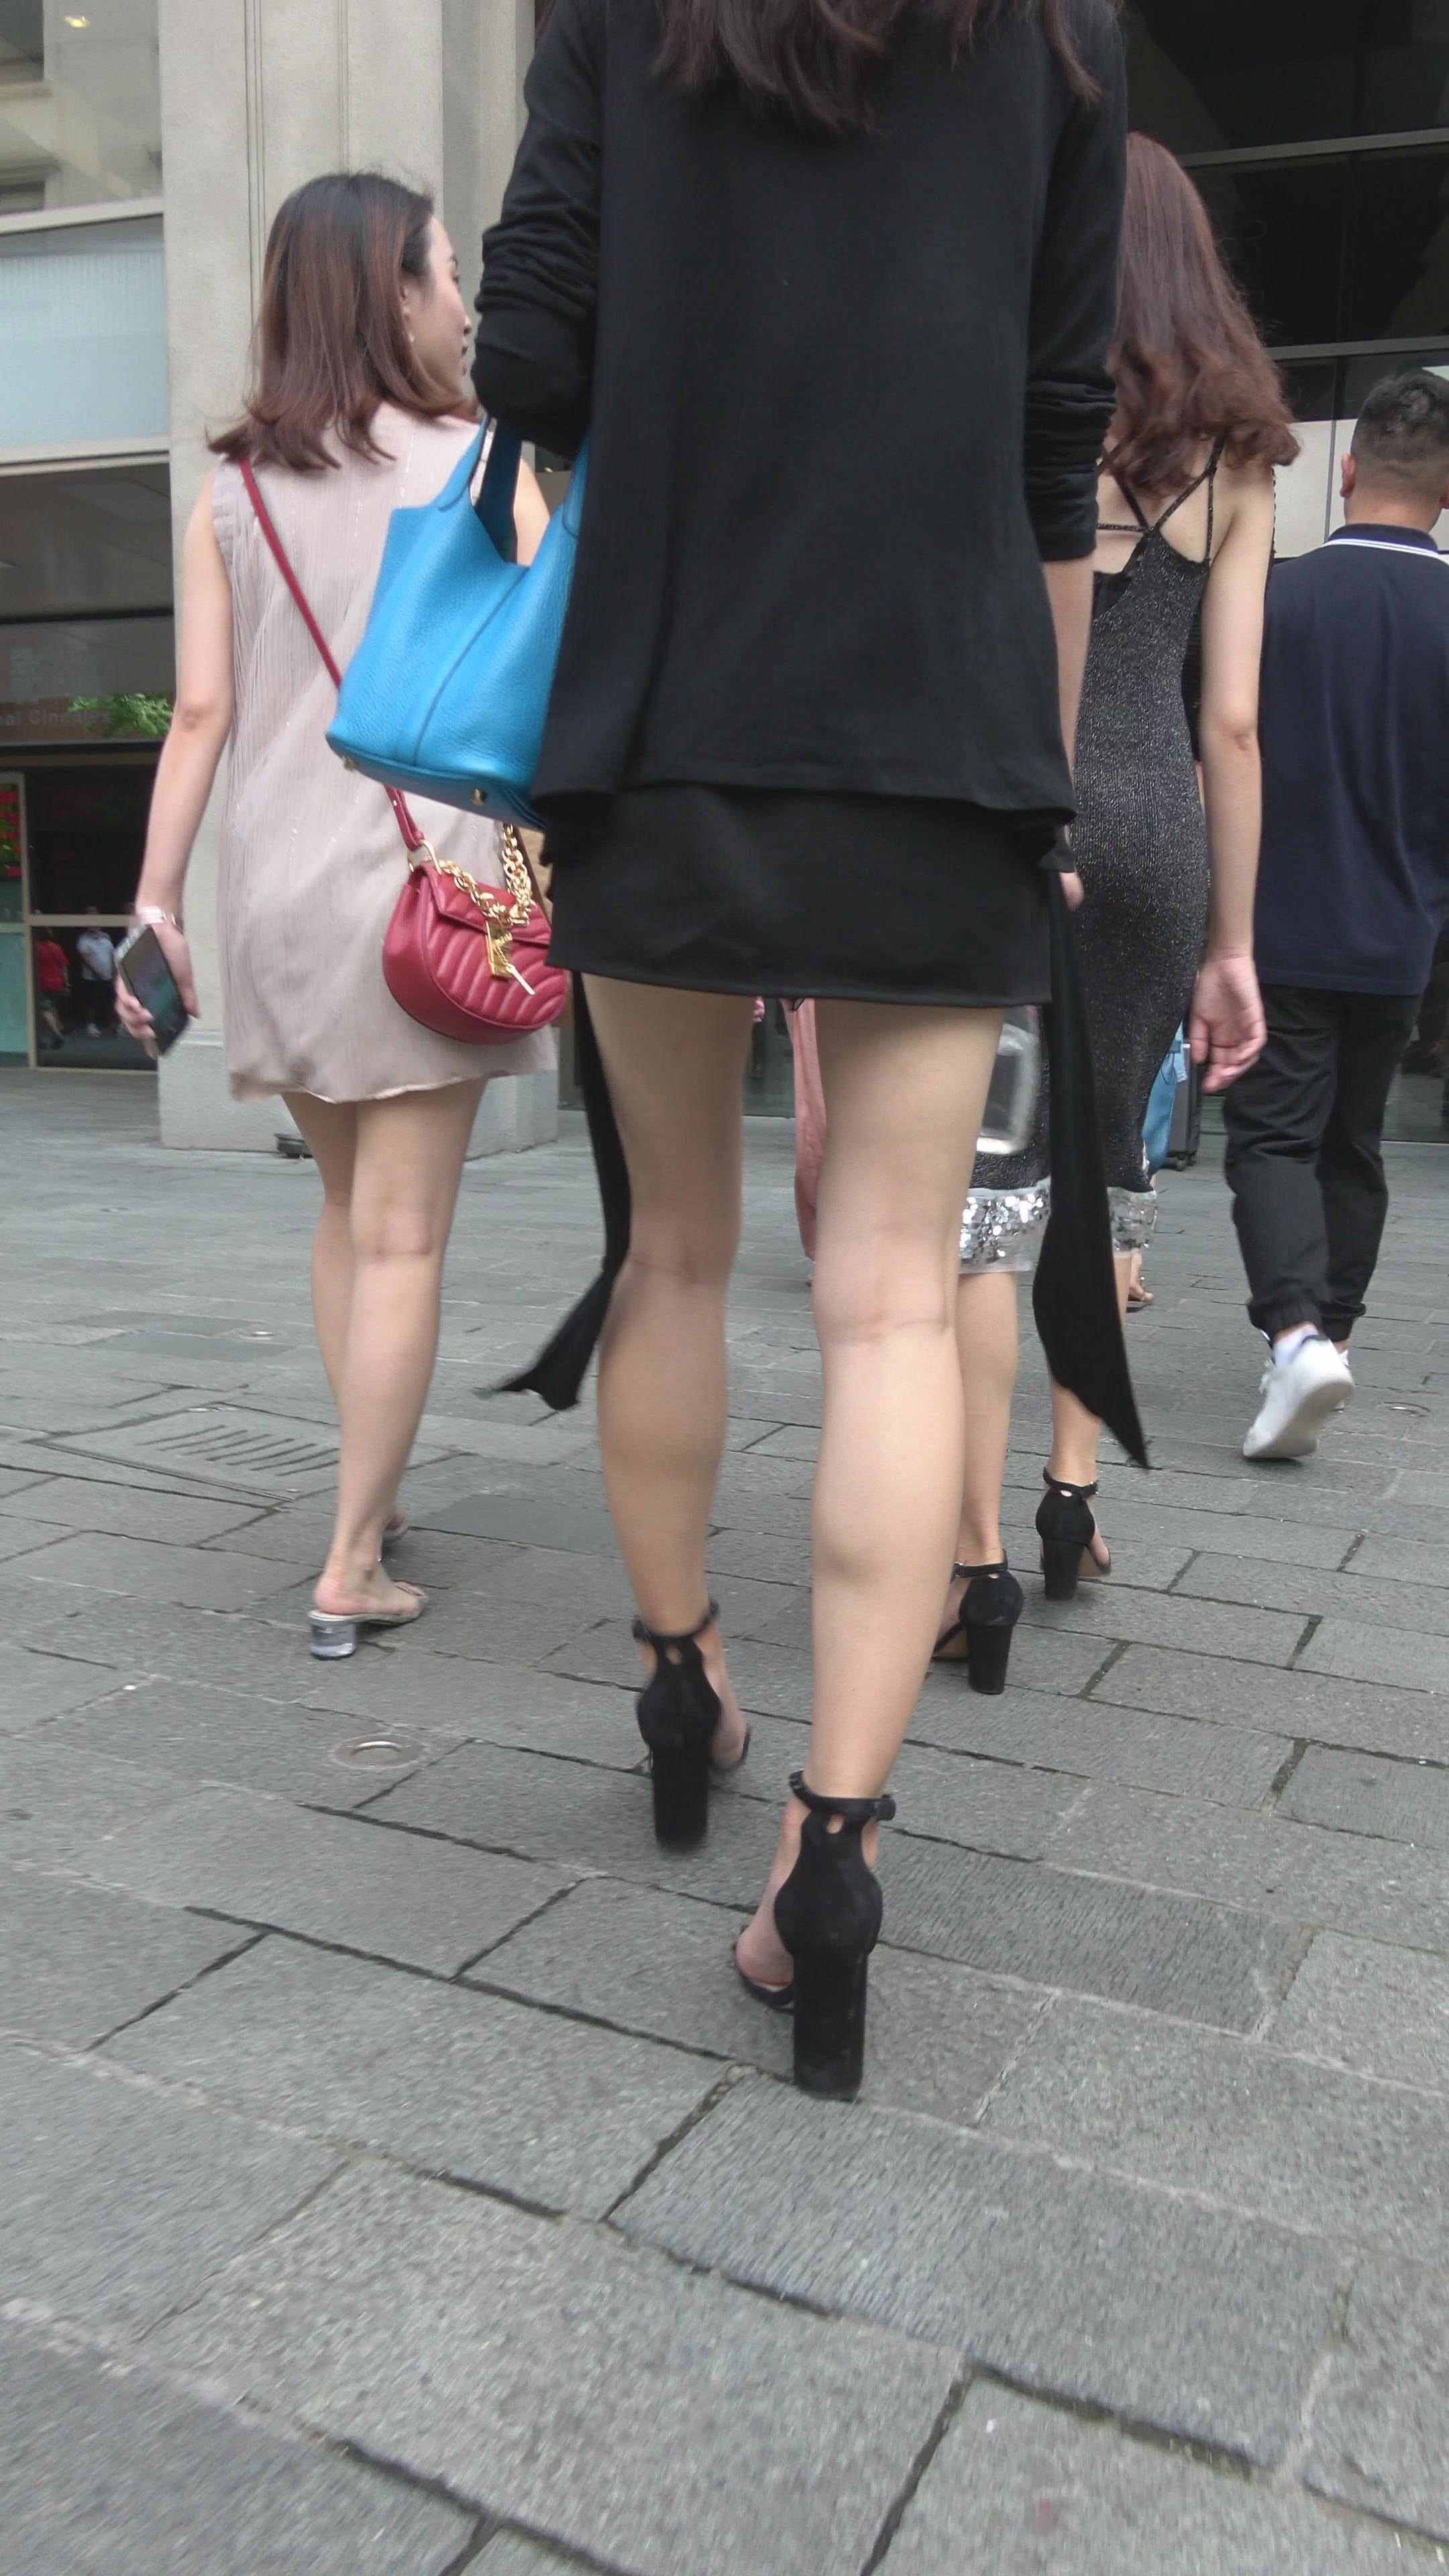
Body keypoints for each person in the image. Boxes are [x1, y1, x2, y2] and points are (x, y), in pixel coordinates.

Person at [474, 0, 1131, 2096]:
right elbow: (1058, 435)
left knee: (673, 1248)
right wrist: (1031, 776)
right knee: (892, 1299)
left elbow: (529, 357)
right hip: (945, 723)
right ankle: (831, 1858)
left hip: (664, 707)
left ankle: (683, 1682)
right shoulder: (1058, 29)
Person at [115, 172, 553, 1656]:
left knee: (344, 1210)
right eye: (444, 273)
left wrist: (157, 902)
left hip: (279, 889)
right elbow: (543, 678)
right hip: (429, 887)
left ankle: (374, 1486)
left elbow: (199, 714)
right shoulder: (481, 463)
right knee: (407, 1237)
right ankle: (352, 1558)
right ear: (391, 293)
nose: (462, 304)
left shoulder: (230, 489)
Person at [933, 131, 1289, 1673]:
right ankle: (1070, 1493)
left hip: (1017, 826)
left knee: (979, 1210)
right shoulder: (1238, 462)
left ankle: (974, 1562)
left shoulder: (1014, 408)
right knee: (1098, 1177)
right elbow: (1233, 724)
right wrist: (1234, 942)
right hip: (1157, 840)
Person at [1226, 370, 1449, 1463]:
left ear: (1348, 468)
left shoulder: (1276, 598)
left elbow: (1227, 741)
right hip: (1402, 932)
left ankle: (1297, 1336)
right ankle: (1332, 1339)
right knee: (1353, 1144)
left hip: (1279, 920)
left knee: (1273, 1135)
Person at [76, 910, 116, 1035]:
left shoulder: (106, 937)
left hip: (108, 976)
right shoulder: (84, 939)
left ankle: (115, 1026)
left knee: (111, 1001)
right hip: (92, 978)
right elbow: (84, 957)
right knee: (92, 1002)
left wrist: (114, 973)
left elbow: (112, 955)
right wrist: (96, 972)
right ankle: (91, 1025)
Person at [34, 932, 68, 1050]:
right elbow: (63, 966)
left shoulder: (35, 947)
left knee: (44, 1010)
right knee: (50, 1009)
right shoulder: (56, 947)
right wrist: (66, 983)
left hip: (42, 983)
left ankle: (57, 1035)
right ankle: (40, 1039)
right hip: (57, 983)